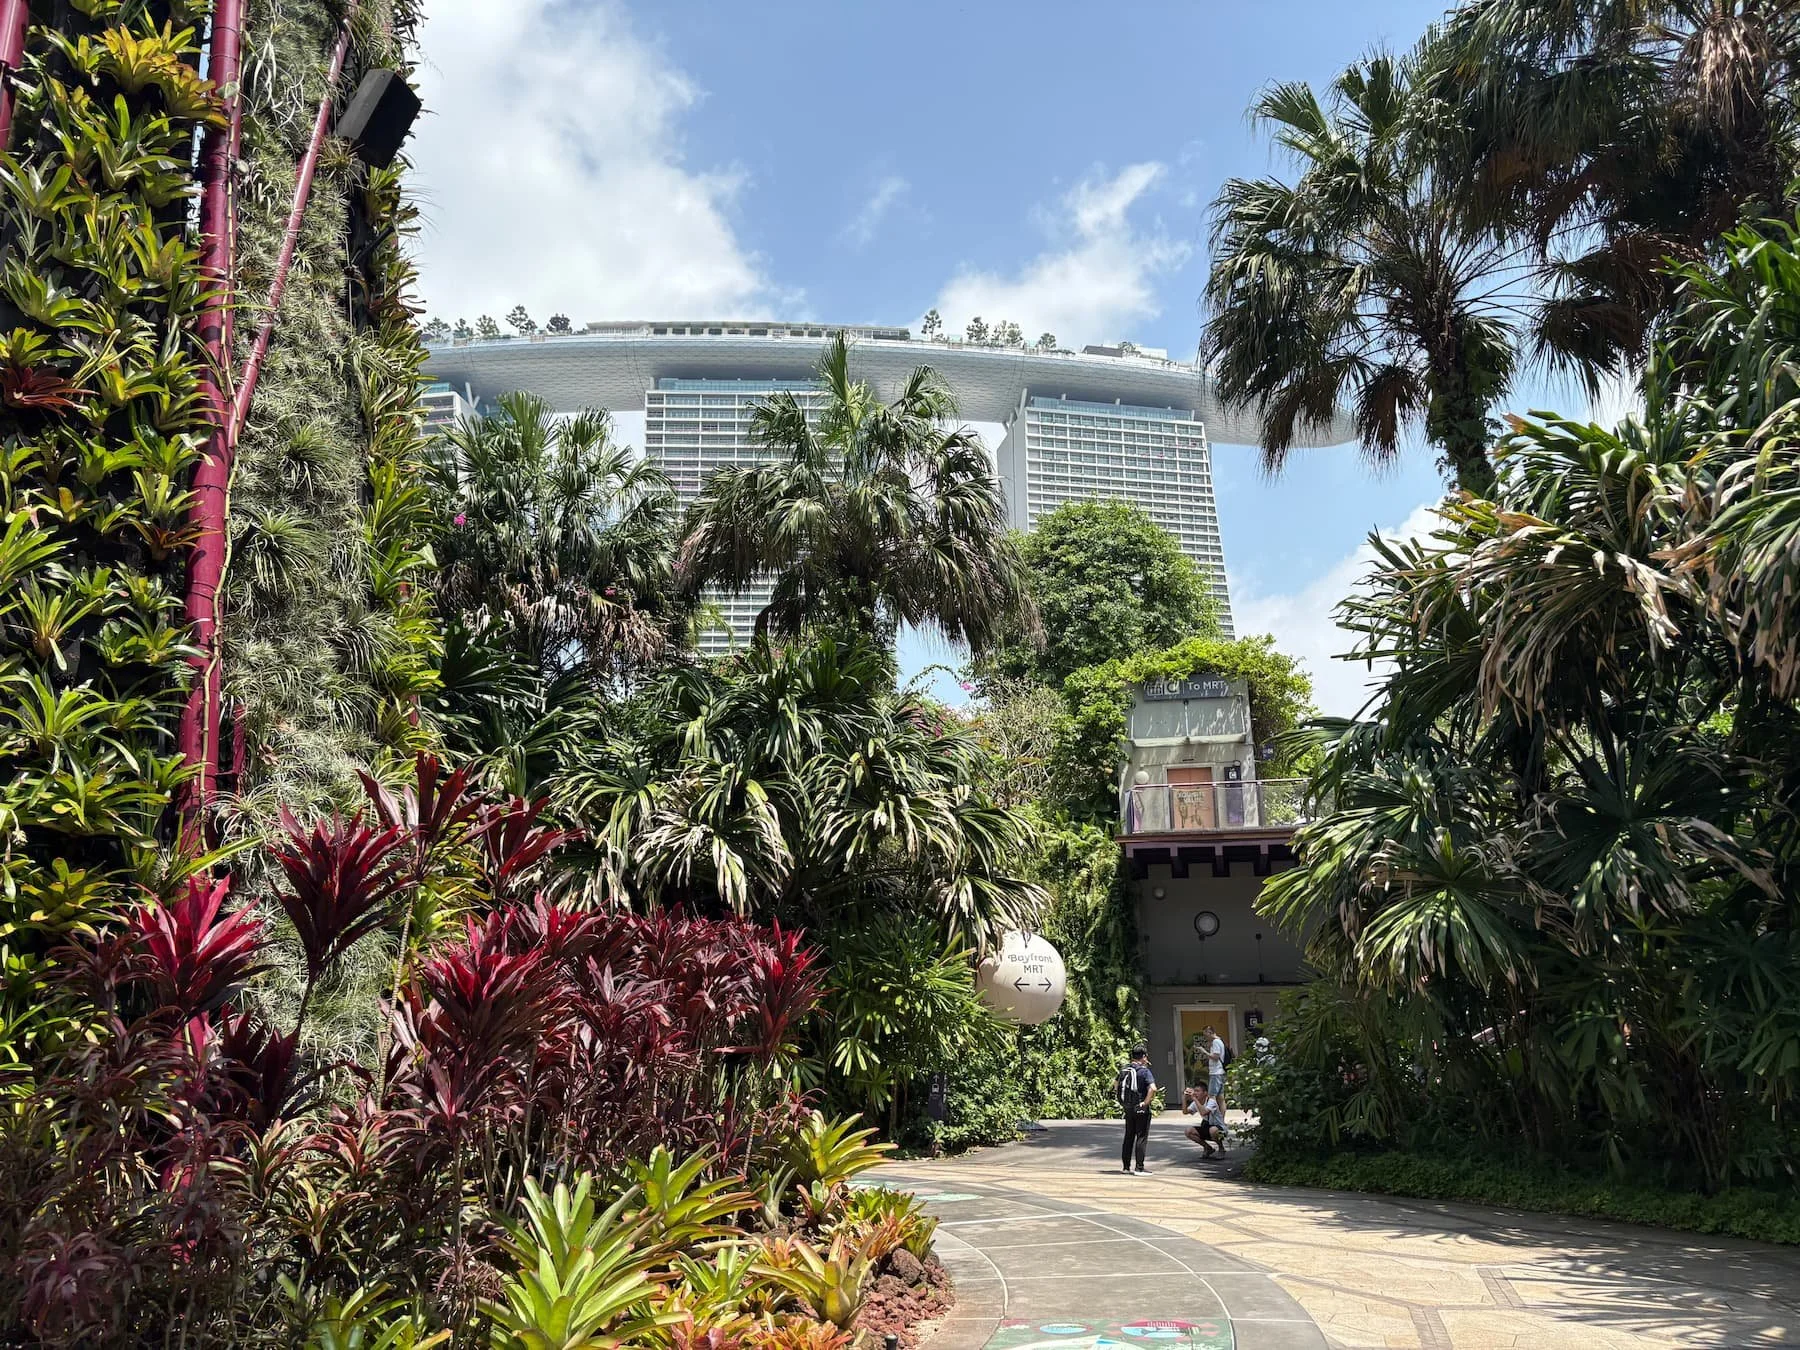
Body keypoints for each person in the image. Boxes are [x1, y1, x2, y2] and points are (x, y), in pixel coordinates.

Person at [1116, 1046, 1156, 1175]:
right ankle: (1139, 1167)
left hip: (1128, 1107)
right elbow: (1153, 1088)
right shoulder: (1144, 1071)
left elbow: (1116, 1084)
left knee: (1129, 1136)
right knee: (1141, 1137)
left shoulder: (1124, 1069)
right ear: (1144, 1057)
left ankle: (1126, 1167)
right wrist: (1145, 1102)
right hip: (1140, 1108)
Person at [1183, 1091, 1227, 1159]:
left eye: (1198, 1091)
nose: (1195, 1093)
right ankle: (1208, 1148)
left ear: (1205, 1093)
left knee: (1213, 1130)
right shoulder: (1196, 1103)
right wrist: (1184, 1099)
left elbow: (1204, 1112)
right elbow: (1185, 1112)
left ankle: (1221, 1148)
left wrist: (1194, 1099)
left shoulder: (1211, 1102)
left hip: (1221, 1131)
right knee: (1188, 1131)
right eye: (1195, 1091)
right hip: (1207, 1128)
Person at [1204, 1025, 1226, 1104]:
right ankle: (1221, 1116)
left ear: (1210, 1032)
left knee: (1212, 1096)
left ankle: (1212, 1115)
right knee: (1220, 1097)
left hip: (1216, 1072)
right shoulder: (1219, 1041)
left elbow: (1215, 1057)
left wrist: (1204, 1052)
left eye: (1206, 1035)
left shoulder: (1216, 1042)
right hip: (1220, 1072)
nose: (1205, 1037)